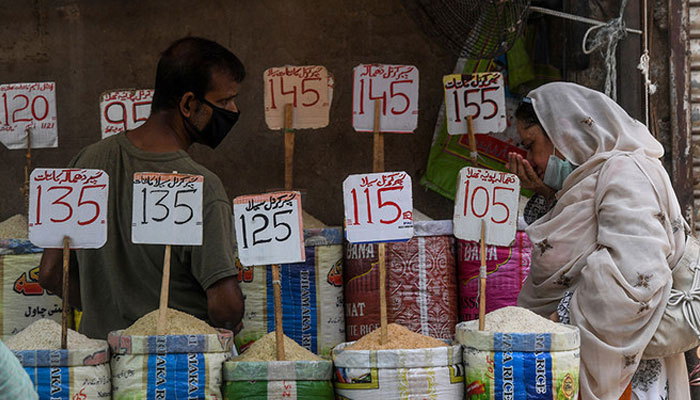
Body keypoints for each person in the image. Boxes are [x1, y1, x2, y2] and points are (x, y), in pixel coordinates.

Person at [38, 37, 245, 339]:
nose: (234, 109)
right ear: (188, 104)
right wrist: (234, 312)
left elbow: (50, 273)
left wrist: (107, 311)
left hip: (100, 368)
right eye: (225, 101)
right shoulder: (202, 186)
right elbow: (225, 308)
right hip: (173, 371)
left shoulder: (86, 161)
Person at [507, 82, 691, 399]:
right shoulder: (584, 184)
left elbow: (633, 275)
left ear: (562, 133)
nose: (528, 159)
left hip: (624, 369)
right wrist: (548, 193)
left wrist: (561, 320)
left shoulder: (625, 172)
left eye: (530, 144)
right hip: (576, 359)